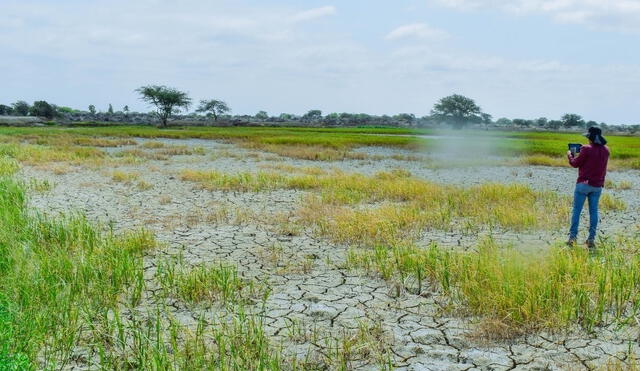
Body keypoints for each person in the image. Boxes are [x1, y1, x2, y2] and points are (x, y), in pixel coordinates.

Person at [566, 127, 609, 250]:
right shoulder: (606, 150)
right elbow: (604, 168)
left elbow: (575, 163)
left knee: (576, 211)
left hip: (583, 184)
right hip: (597, 186)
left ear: (590, 138)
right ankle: (591, 239)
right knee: (594, 212)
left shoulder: (586, 148)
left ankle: (572, 238)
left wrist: (570, 155)